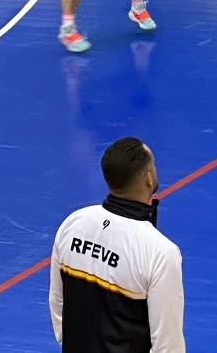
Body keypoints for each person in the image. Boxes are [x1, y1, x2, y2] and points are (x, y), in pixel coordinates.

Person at [49, 137, 184, 352]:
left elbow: (58, 305)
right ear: (149, 178)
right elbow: (168, 345)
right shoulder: (161, 252)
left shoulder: (72, 224)